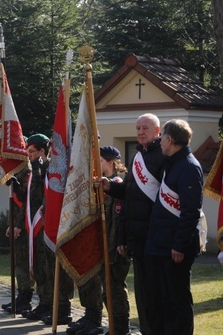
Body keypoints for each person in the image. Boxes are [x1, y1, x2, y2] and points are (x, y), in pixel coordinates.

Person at [101, 113, 165, 335]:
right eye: (137, 128)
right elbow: (126, 196)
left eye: (145, 128)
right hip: (136, 238)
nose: (140, 132)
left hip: (155, 237)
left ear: (158, 131)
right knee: (143, 295)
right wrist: (109, 187)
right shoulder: (137, 157)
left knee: (157, 294)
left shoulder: (163, 157)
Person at [144, 120, 204, 335]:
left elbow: (190, 212)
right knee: (163, 300)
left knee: (177, 301)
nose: (159, 141)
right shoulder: (173, 162)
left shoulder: (188, 166)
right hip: (161, 245)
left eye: (162, 138)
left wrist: (179, 245)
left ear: (170, 139)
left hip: (174, 249)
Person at [68, 146, 131, 335]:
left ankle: (120, 328)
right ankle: (98, 320)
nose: (96, 166)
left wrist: (111, 250)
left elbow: (117, 222)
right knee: (105, 290)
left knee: (115, 289)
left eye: (100, 162)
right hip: (103, 247)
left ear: (111, 162)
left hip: (115, 249)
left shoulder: (117, 185)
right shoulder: (103, 184)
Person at [21, 134, 73, 326]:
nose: (29, 155)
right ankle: (46, 303)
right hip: (39, 224)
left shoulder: (53, 168)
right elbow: (33, 198)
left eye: (32, 151)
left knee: (55, 269)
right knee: (43, 269)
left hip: (54, 224)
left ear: (43, 151)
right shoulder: (40, 169)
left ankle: (62, 308)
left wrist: (38, 171)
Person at [2, 159, 34, 314]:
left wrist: (19, 225)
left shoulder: (27, 173)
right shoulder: (17, 173)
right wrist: (12, 223)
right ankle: (21, 295)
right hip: (17, 224)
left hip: (25, 226)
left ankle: (25, 298)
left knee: (23, 263)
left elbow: (26, 203)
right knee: (18, 263)